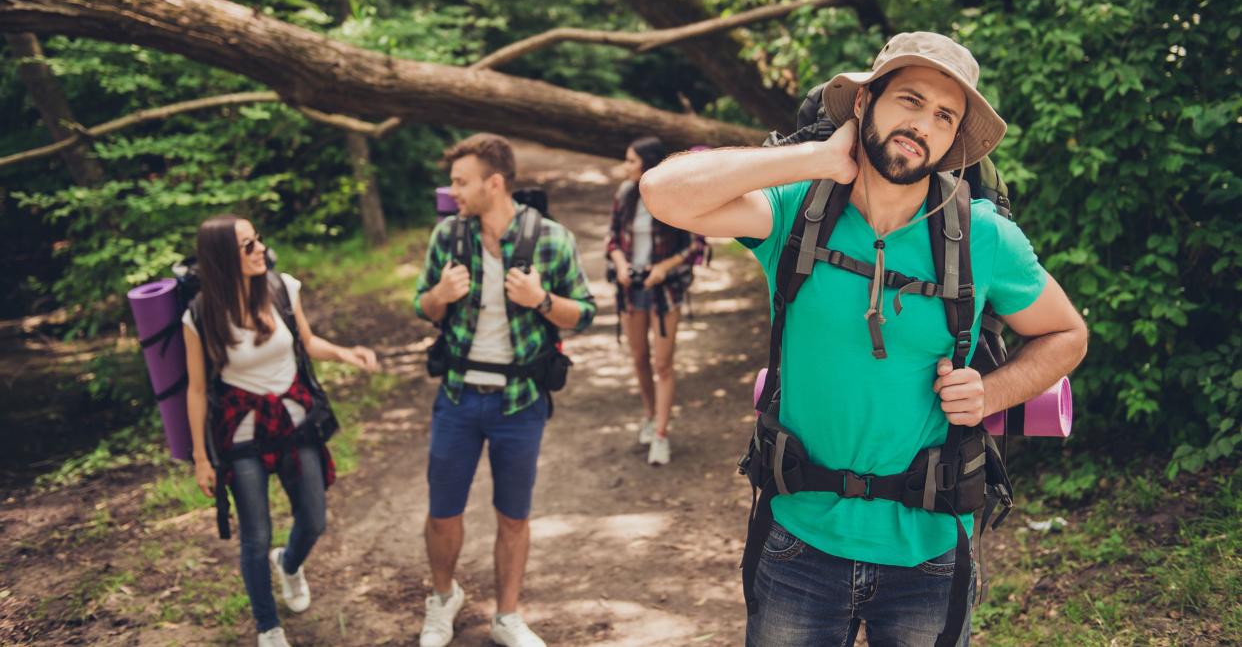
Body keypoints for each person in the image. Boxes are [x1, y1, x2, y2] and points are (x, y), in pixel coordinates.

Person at [639, 32, 1089, 646]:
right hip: (798, 541)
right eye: (908, 99)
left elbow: (1067, 333)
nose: (922, 123)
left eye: (943, 115)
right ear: (862, 105)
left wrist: (991, 391)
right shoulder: (796, 212)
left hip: (929, 553)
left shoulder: (982, 238)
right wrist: (819, 159)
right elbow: (662, 192)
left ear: (953, 141)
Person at [413, 133, 596, 647]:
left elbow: (584, 314)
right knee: (442, 510)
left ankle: (507, 616)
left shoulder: (552, 239)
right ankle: (443, 596)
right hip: (457, 397)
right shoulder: (447, 237)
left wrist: (541, 300)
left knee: (513, 515)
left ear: (494, 184)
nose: (453, 192)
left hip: (521, 403)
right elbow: (419, 306)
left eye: (461, 182)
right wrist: (438, 297)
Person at [183, 215, 378, 647]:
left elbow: (306, 343)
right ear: (221, 258)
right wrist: (200, 457)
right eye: (248, 245)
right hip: (241, 432)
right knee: (255, 534)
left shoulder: (282, 288)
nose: (260, 250)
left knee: (313, 519)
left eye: (258, 241)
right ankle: (268, 626)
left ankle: (288, 564)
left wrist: (347, 354)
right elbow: (197, 390)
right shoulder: (199, 315)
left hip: (294, 421)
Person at [606, 136, 701, 466]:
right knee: (639, 357)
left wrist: (662, 268)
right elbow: (613, 239)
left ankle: (660, 434)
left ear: (647, 164)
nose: (626, 166)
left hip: (665, 291)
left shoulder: (673, 196)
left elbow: (695, 246)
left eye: (631, 161)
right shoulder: (625, 194)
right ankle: (649, 415)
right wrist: (620, 265)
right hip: (632, 289)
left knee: (663, 363)